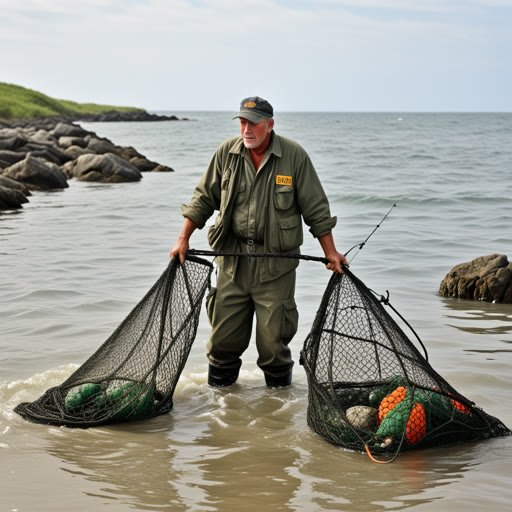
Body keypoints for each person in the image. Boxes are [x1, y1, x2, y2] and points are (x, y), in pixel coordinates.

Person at [170, 96, 347, 388]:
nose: (246, 129)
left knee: (273, 348)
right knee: (222, 344)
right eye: (242, 122)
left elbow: (316, 210)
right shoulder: (227, 152)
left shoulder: (294, 156)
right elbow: (203, 198)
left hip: (276, 265)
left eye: (253, 123)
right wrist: (183, 238)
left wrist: (331, 253)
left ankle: (276, 417)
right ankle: (222, 411)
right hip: (232, 261)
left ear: (270, 125)